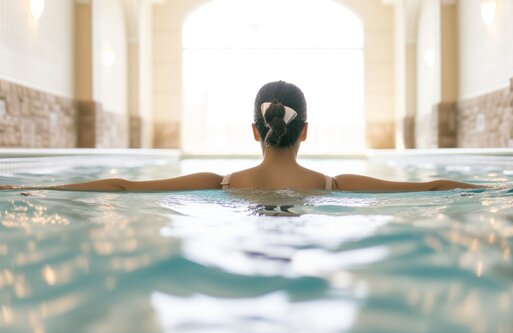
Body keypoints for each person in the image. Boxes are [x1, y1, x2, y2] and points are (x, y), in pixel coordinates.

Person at [0, 81, 480, 192]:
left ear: (255, 130)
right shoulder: (338, 185)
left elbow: (122, 186)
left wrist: (29, 188)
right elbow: (435, 188)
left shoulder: (217, 183)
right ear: (305, 131)